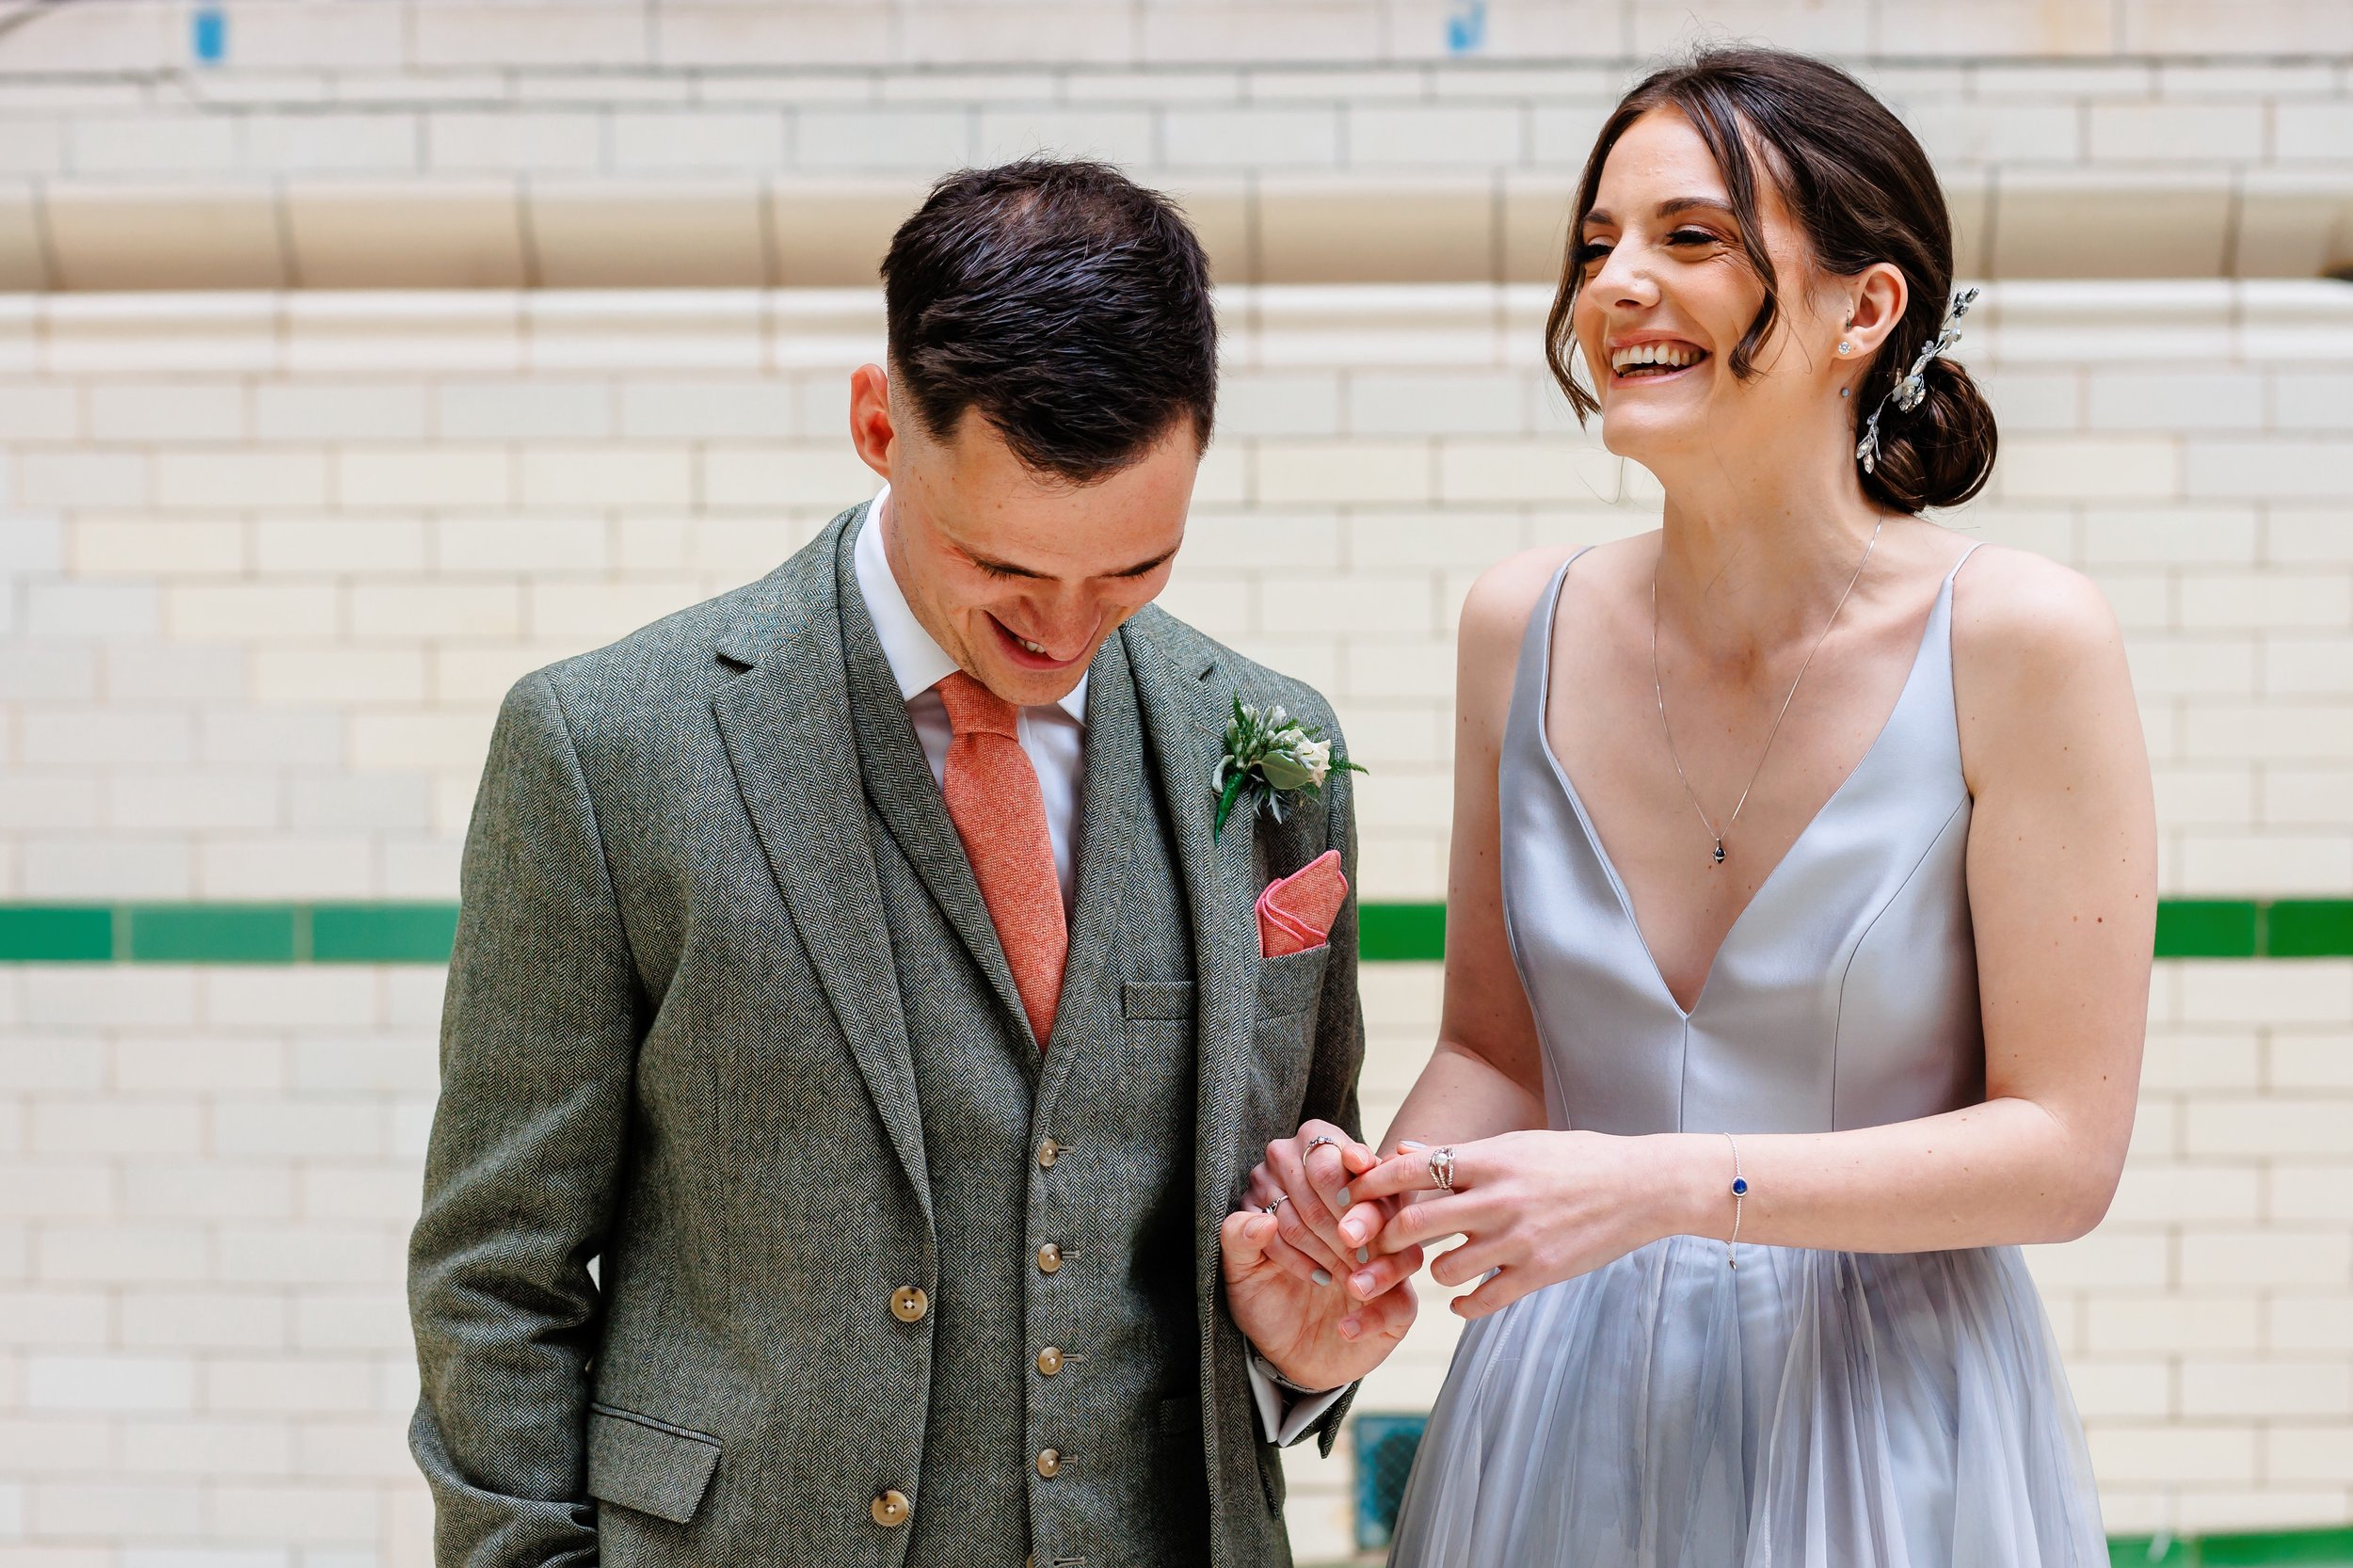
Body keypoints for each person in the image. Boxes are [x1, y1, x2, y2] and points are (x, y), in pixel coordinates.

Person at [405, 158, 1417, 1568]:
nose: (1067, 627)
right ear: (881, 422)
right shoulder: (604, 747)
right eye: (1004, 565)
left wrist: (1298, 1348)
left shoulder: (1273, 750)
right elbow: (495, 1276)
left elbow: (1284, 1208)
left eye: (1134, 569)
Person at [1243, 49, 2153, 1565]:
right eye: (1597, 247)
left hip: (1886, 1412)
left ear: (1867, 312)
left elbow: (2063, 1153)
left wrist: (1663, 1184)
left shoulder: (2020, 640)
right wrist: (1375, 1221)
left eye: (1690, 239)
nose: (1617, 288)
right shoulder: (1514, 624)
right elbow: (1496, 1047)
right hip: (1555, 1414)